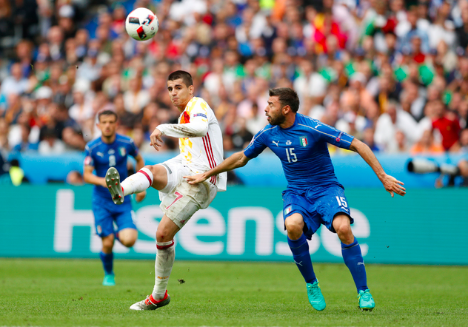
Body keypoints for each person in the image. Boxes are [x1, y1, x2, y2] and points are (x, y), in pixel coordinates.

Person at [186, 88, 406, 311]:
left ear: (286, 109)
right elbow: (242, 157)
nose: (265, 109)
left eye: (270, 104)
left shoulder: (313, 128)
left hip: (326, 189)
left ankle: (363, 291)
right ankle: (312, 284)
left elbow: (359, 144)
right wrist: (207, 173)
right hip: (297, 193)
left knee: (343, 228)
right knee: (292, 226)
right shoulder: (267, 134)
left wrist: (383, 176)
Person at [105, 70, 226, 310]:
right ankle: (120, 190)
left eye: (178, 87)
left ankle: (158, 295)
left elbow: (200, 129)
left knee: (162, 235)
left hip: (202, 179)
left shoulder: (198, 104)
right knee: (151, 170)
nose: (173, 93)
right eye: (170, 89)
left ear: (191, 89)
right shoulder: (184, 114)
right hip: (186, 165)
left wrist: (162, 127)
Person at [83, 109, 146, 286]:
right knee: (107, 244)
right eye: (104, 122)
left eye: (111, 122)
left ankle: (113, 234)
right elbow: (87, 175)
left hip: (122, 198)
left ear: (117, 124)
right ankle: (109, 274)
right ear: (98, 125)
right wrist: (104, 182)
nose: (108, 125)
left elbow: (139, 159)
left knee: (129, 240)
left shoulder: (127, 143)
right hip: (102, 201)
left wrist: (141, 186)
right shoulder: (92, 148)